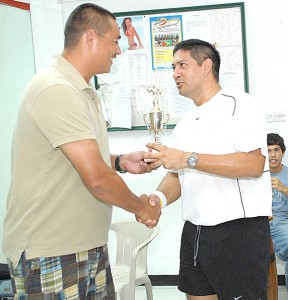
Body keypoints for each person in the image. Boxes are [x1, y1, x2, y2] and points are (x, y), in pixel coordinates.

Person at [2, 4, 160, 299]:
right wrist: (141, 208)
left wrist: (121, 162)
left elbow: (77, 160)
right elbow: (97, 179)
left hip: (86, 246)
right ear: (90, 38)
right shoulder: (56, 88)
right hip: (51, 251)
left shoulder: (83, 91)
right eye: (115, 40)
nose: (118, 50)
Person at [141, 39, 272, 299]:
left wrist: (189, 158)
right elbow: (178, 173)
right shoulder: (185, 122)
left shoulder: (241, 105)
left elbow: (254, 164)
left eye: (182, 65)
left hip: (237, 232)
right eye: (173, 67)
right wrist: (157, 199)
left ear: (206, 66)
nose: (175, 73)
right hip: (194, 231)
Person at [267, 133, 288, 290]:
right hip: (256, 224)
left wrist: (284, 189)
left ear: (283, 153)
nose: (273, 155)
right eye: (268, 150)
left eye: (276, 149)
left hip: (282, 223)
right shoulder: (254, 174)